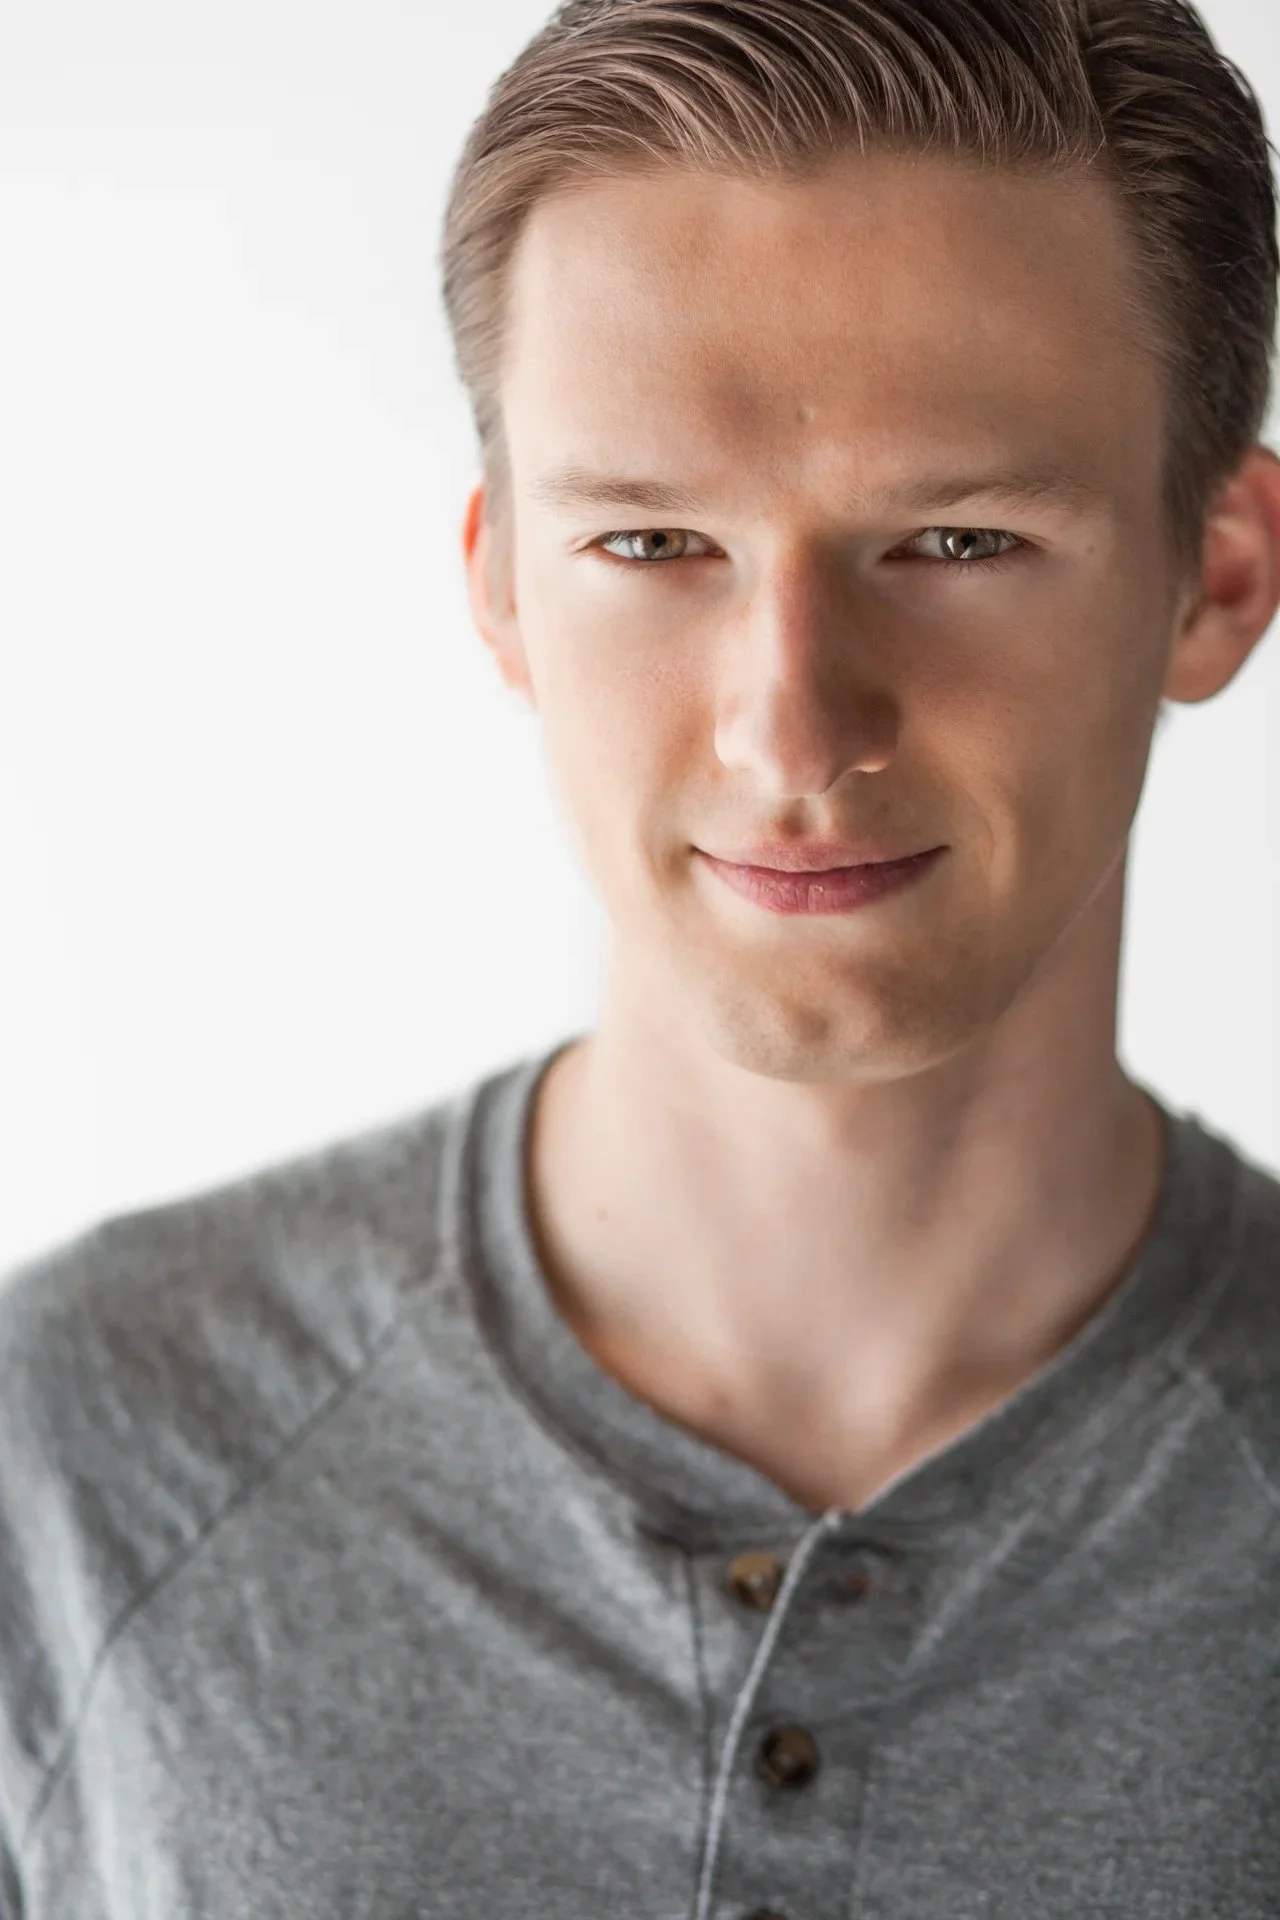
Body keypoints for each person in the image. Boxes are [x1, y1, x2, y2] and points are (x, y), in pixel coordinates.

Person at [2, 0, 1279, 1914]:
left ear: (1218, 575)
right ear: (503, 585)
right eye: (655, 543)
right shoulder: (72, 1458)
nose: (793, 730)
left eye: (956, 542)